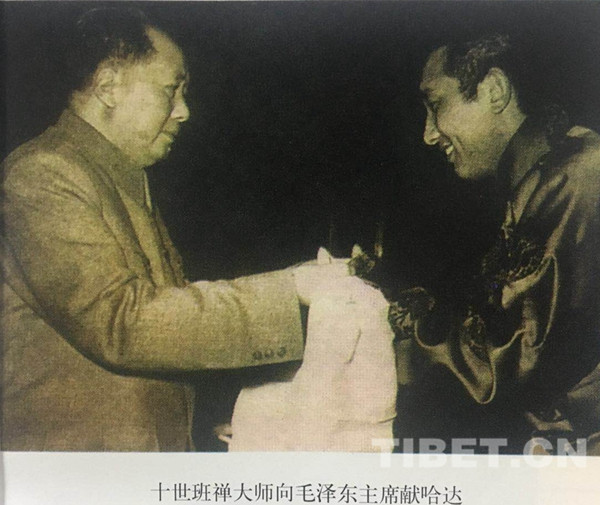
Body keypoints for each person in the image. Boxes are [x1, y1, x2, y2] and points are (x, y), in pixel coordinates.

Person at [1, 7, 347, 452]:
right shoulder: (43, 173)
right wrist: (289, 290)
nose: (183, 111)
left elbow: (168, 330)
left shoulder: (119, 175)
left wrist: (200, 422)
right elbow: (122, 323)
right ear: (108, 87)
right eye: (171, 90)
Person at [390, 34, 600, 454]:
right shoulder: (546, 174)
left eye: (436, 105)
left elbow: (501, 361)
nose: (428, 134)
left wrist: (379, 322)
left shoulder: (576, 177)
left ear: (495, 90)